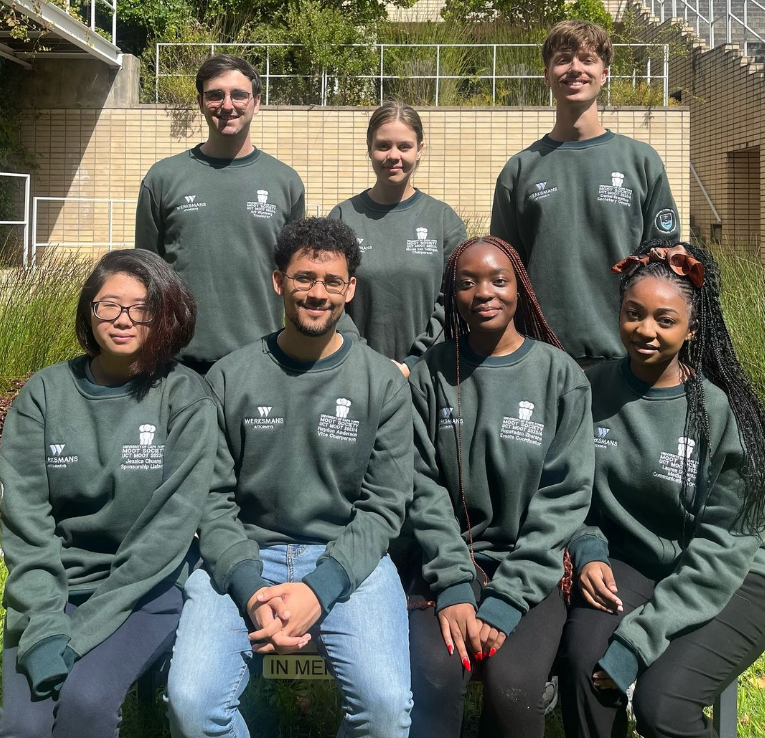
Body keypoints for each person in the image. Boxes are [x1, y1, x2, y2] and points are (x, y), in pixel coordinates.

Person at [167, 217, 414, 738]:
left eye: (330, 281)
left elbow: (385, 506)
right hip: (243, 555)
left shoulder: (383, 384)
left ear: (349, 288)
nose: (316, 293)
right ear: (279, 281)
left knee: (386, 711)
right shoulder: (230, 377)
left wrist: (319, 590)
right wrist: (252, 589)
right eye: (304, 278)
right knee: (192, 706)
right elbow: (211, 501)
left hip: (348, 558)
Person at [0, 249, 216, 738]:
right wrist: (44, 621)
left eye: (142, 308)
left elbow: (166, 534)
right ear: (88, 311)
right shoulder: (44, 393)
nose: (123, 320)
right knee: (22, 727)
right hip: (52, 591)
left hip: (148, 591)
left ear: (166, 315)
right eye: (108, 305)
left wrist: (74, 639)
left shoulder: (185, 398)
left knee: (86, 703)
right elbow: (25, 522)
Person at [559, 239, 765, 738]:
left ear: (692, 328)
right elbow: (570, 492)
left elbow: (721, 548)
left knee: (661, 707)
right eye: (634, 314)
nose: (645, 331)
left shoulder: (718, 414)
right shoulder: (591, 390)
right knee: (587, 668)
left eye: (665, 320)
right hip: (637, 562)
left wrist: (637, 642)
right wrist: (587, 551)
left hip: (732, 574)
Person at [407, 235, 595, 738]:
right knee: (434, 675)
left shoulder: (560, 375)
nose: (482, 292)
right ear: (452, 295)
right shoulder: (431, 374)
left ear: (520, 289)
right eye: (465, 283)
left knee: (513, 686)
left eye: (497, 280)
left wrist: (507, 598)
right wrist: (452, 586)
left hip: (530, 569)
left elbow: (566, 496)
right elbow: (419, 485)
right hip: (447, 562)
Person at [490, 20, 681, 366]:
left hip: (629, 357)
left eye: (587, 60)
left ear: (605, 74)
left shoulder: (641, 162)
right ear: (547, 75)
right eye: (563, 59)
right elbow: (505, 277)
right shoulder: (519, 171)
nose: (575, 68)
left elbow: (664, 268)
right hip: (541, 358)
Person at [135, 54, 306, 373]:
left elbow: (295, 277)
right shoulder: (162, 178)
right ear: (200, 102)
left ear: (256, 102)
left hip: (263, 360)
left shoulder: (285, 183)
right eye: (215, 94)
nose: (227, 105)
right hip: (178, 361)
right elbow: (146, 276)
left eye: (239, 94)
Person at [329, 100, 467, 376]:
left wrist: (413, 362)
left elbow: (454, 301)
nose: (394, 155)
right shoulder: (343, 217)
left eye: (404, 146)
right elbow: (331, 297)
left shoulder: (442, 220)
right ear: (369, 148)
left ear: (420, 150)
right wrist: (365, 359)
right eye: (383, 146)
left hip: (429, 373)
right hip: (355, 371)